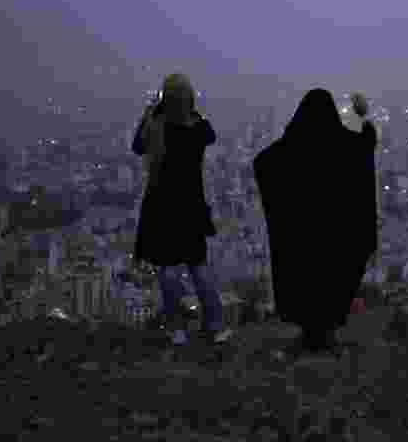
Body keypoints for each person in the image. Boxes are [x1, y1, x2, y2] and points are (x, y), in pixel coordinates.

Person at [254, 89, 378, 354]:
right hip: (335, 240)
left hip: (300, 240)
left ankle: (310, 332)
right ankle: (326, 332)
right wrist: (362, 116)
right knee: (332, 276)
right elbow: (365, 147)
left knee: (302, 276)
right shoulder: (344, 147)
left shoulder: (289, 149)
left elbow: (263, 163)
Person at [132, 73, 232, 345]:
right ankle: (216, 325)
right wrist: (191, 109)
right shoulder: (198, 128)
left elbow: (137, 147)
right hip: (192, 206)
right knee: (199, 266)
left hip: (162, 206)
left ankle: (176, 330)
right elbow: (210, 134)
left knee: (168, 270)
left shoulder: (157, 126)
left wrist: (150, 112)